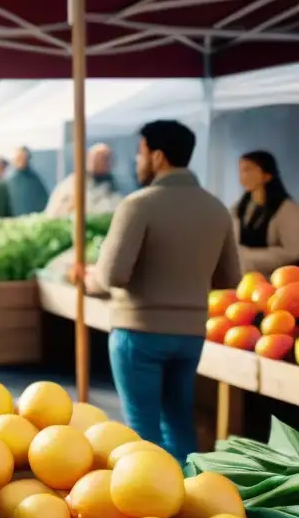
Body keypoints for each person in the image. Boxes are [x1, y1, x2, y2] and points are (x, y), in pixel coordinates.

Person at [81, 120, 241, 464]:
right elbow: (230, 277)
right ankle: (191, 498)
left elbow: (112, 275)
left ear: (157, 156)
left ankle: (153, 505)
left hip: (139, 332)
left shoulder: (139, 204)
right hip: (191, 334)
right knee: (180, 422)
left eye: (139, 154)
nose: (137, 163)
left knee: (142, 431)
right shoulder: (217, 209)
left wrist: (90, 277)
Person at [233, 150, 299, 274]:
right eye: (240, 170)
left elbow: (293, 252)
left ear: (267, 175)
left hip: (276, 279)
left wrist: (248, 257)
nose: (242, 176)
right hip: (244, 278)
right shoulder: (239, 208)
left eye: (248, 170)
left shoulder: (287, 209)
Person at [47, 143, 121, 217]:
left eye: (107, 158)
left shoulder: (112, 186)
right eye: (101, 158)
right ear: (88, 159)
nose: (105, 163)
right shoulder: (72, 185)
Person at [6, 146, 49, 216]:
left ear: (28, 159)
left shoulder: (35, 180)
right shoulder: (8, 181)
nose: (22, 161)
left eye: (24, 158)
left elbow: (43, 202)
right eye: (19, 158)